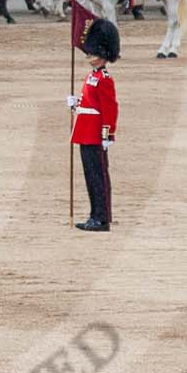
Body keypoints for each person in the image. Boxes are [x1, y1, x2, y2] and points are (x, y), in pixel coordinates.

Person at [69, 17, 120, 231]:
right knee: (91, 177)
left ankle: (102, 218)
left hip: (95, 134)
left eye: (93, 52)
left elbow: (110, 109)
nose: (89, 56)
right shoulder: (92, 76)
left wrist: (107, 135)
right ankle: (94, 215)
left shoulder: (105, 79)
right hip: (84, 132)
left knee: (99, 178)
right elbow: (89, 104)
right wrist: (75, 104)